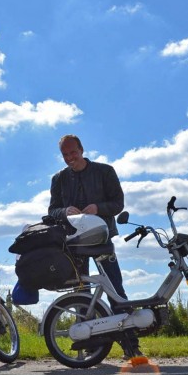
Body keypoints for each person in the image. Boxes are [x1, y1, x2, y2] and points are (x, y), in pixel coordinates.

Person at [48, 134, 142, 358]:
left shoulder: (105, 171)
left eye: (73, 152)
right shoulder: (58, 179)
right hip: (73, 243)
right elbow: (52, 210)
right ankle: (90, 347)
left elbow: (118, 203)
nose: (70, 158)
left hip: (102, 240)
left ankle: (131, 347)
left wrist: (98, 208)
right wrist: (64, 211)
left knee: (116, 291)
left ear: (82, 149)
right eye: (65, 155)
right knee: (82, 293)